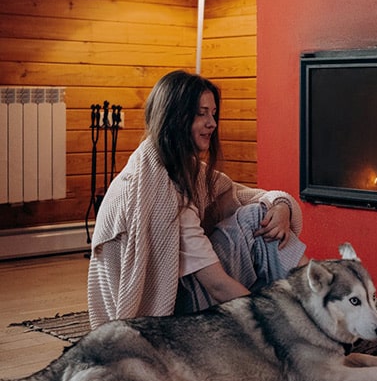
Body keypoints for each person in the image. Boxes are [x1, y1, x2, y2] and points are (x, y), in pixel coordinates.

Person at [87, 70, 308, 329]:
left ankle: (321, 299)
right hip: (173, 315)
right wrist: (269, 325)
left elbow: (246, 197)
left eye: (213, 113)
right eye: (201, 113)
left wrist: (281, 207)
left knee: (260, 216)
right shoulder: (157, 194)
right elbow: (217, 286)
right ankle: (322, 302)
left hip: (185, 293)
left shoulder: (181, 169)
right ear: (174, 118)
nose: (212, 123)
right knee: (258, 224)